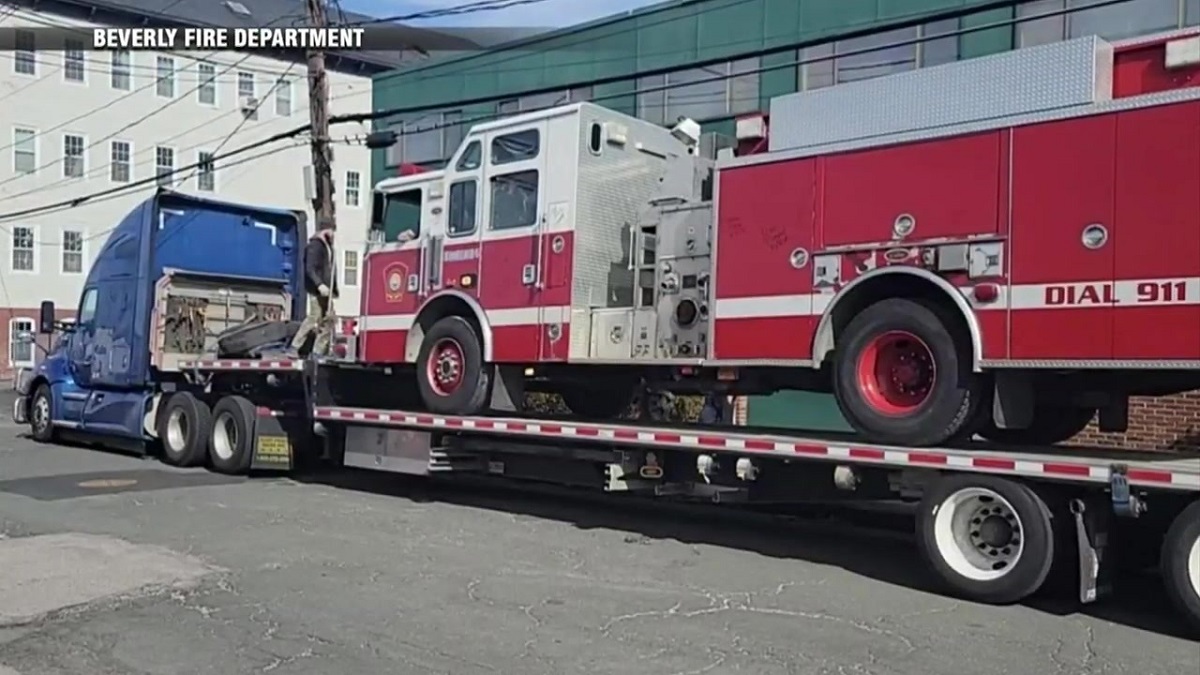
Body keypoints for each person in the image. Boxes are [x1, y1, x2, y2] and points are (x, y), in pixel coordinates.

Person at [287, 221, 338, 357]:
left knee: (327, 319)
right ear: (326, 230)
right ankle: (297, 347)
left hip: (325, 289)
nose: (334, 235)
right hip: (318, 289)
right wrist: (319, 284)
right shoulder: (315, 246)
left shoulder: (326, 246)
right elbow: (310, 268)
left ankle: (315, 351)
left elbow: (329, 269)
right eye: (333, 231)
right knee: (317, 317)